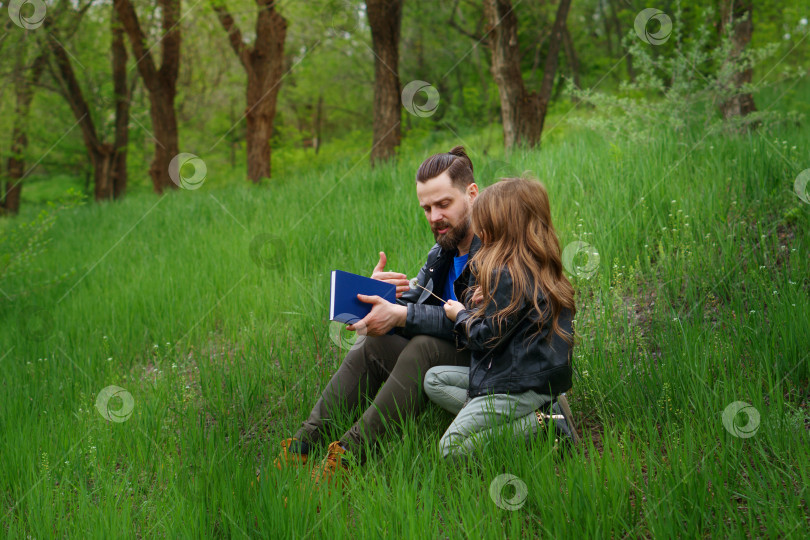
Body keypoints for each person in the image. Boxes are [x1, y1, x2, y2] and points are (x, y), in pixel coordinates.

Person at [272, 146, 483, 488]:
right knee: (375, 341)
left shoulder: (495, 247)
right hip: (451, 354)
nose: (434, 217)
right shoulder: (441, 250)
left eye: (443, 204)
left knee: (424, 347)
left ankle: (347, 459)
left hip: (487, 362)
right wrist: (381, 297)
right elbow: (420, 307)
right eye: (426, 208)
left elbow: (481, 325)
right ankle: (303, 445)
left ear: (471, 193)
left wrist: (401, 314)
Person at [424, 177, 579, 460]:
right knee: (433, 379)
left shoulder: (504, 274)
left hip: (518, 382)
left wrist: (459, 314)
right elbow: (509, 321)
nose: (478, 229)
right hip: (532, 373)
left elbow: (485, 338)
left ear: (500, 225)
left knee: (450, 449)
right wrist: (486, 301)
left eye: (483, 222)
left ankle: (546, 423)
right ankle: (529, 413)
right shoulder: (537, 265)